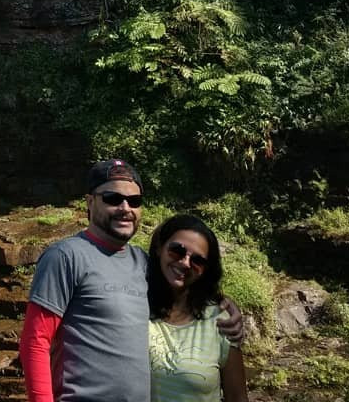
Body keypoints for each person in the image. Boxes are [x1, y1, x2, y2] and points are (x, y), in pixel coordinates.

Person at [18, 159, 244, 402]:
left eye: (134, 201)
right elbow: (35, 341)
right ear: (90, 202)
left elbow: (182, 278)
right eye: (113, 198)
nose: (125, 207)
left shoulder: (143, 263)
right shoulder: (66, 256)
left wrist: (223, 301)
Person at [148, 214, 248, 402]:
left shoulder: (220, 320)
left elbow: (237, 397)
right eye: (177, 250)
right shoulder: (132, 303)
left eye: (198, 260)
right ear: (159, 247)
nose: (185, 263)